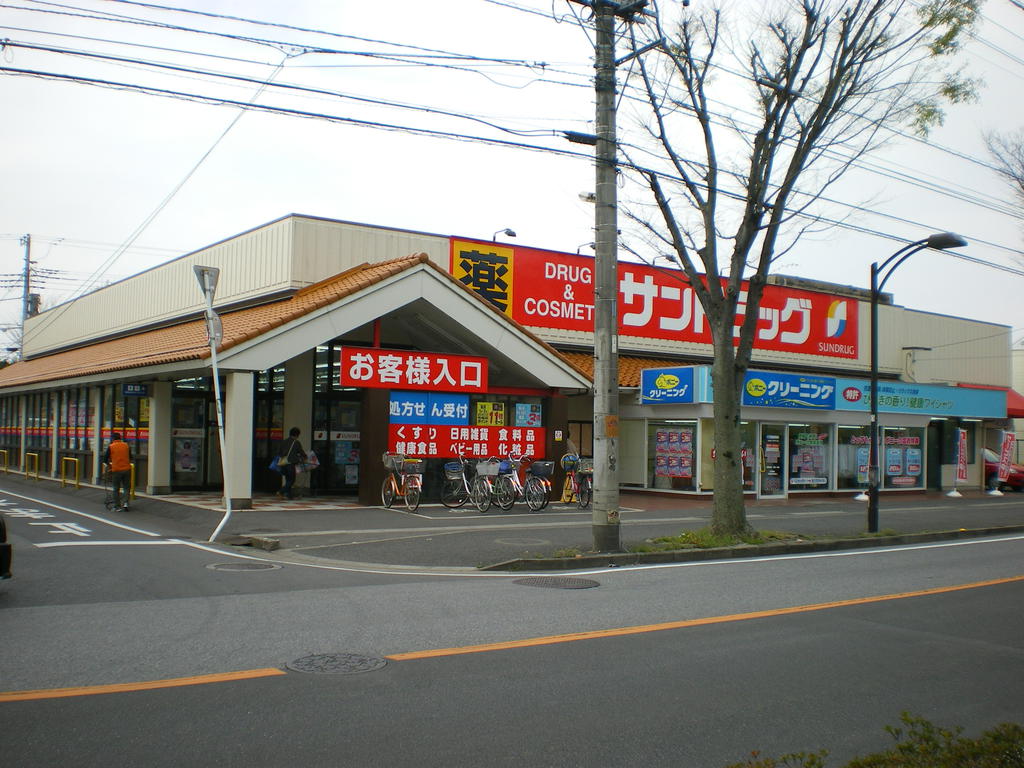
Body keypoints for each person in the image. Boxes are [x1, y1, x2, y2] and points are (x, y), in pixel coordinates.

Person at [102, 432, 133, 511]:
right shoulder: (126, 445)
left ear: (113, 439)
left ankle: (117, 506)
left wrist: (109, 466)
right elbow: (131, 457)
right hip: (127, 469)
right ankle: (126, 503)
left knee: (116, 488)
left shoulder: (111, 446)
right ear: (120, 438)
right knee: (126, 487)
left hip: (116, 470)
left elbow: (105, 459)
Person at [276, 426, 305, 500]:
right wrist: (305, 457)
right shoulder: (296, 442)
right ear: (297, 435)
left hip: (283, 463)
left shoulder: (284, 441)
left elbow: (279, 452)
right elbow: (301, 452)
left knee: (288, 479)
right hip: (291, 464)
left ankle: (289, 495)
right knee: (292, 480)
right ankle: (280, 491)